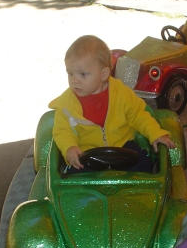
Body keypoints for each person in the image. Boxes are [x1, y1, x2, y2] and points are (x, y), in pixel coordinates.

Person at [49, 35, 176, 172]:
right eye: (70, 74)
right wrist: (69, 147)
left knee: (145, 165)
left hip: (124, 147)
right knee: (72, 176)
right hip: (87, 152)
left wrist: (155, 133)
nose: (74, 80)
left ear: (104, 74)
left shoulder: (121, 94)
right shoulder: (66, 105)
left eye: (83, 74)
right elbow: (62, 131)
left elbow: (139, 115)